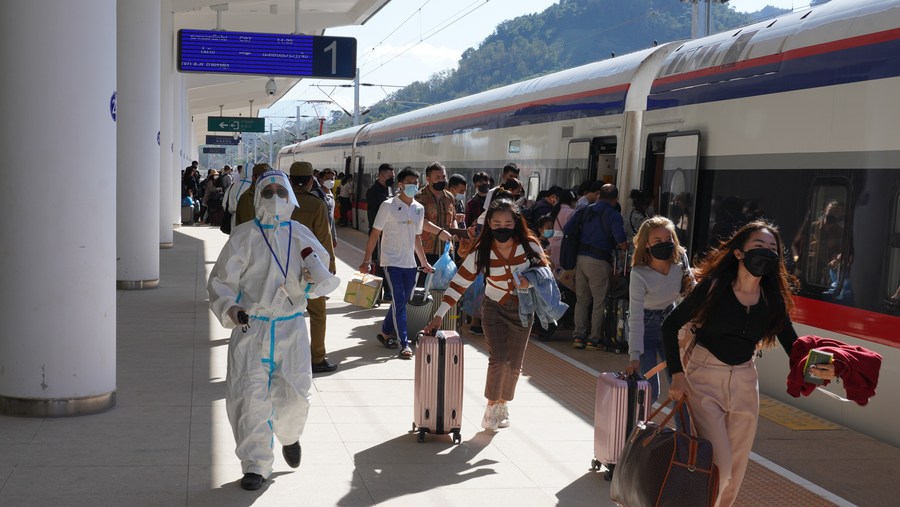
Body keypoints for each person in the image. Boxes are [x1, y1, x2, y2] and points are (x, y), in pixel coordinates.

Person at [662, 220, 836, 507]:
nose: (766, 253)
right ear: (739, 253)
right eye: (759, 246)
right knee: (721, 467)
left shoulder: (772, 298)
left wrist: (826, 367)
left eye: (772, 249)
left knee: (737, 469)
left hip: (745, 381)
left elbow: (793, 346)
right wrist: (677, 375)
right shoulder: (714, 288)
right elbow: (670, 326)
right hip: (704, 379)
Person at [207, 169, 333, 491]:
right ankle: (256, 463)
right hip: (252, 328)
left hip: (290, 327)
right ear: (257, 196)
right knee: (248, 398)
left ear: (289, 195)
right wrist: (230, 309)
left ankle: (289, 436)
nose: (275, 198)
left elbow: (323, 277)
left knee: (293, 396)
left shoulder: (301, 233)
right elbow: (221, 283)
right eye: (267, 191)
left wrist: (310, 283)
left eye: (281, 191)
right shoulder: (244, 236)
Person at [425, 198, 550, 431]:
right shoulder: (481, 251)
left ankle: (503, 404)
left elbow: (545, 275)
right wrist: (439, 316)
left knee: (514, 364)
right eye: (497, 223)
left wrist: (529, 281)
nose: (502, 227)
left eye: (508, 222)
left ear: (516, 223)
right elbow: (458, 284)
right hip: (493, 308)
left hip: (523, 309)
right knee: (499, 358)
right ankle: (491, 406)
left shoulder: (530, 246)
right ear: (490, 225)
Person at [359, 168, 434, 359]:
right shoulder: (388, 205)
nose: (413, 186)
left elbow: (417, 238)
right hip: (391, 262)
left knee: (401, 302)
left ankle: (385, 330)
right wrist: (366, 261)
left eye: (416, 182)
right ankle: (404, 343)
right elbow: (375, 233)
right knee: (399, 301)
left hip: (410, 263)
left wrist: (423, 262)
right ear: (400, 184)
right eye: (410, 182)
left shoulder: (418, 208)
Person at [624, 217, 691, 403]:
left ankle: (683, 432)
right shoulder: (639, 273)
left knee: (680, 385)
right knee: (649, 391)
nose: (665, 244)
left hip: (671, 321)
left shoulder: (680, 261)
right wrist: (634, 356)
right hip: (645, 326)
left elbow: (692, 290)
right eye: (657, 241)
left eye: (669, 240)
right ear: (646, 244)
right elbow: (636, 316)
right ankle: (640, 430)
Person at [289, 161, 338, 374]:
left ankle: (287, 357)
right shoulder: (317, 204)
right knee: (317, 314)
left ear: (290, 181)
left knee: (287, 312)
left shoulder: (282, 203)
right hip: (311, 267)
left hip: (283, 266)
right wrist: (331, 268)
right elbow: (324, 240)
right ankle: (317, 358)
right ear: (311, 180)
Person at [572, 184, 627, 350]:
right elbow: (621, 241)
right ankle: (594, 339)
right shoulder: (614, 215)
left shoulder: (586, 210)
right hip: (599, 261)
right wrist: (626, 245)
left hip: (580, 258)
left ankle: (578, 336)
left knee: (582, 300)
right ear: (615, 199)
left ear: (598, 195)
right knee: (599, 301)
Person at [416, 162, 458, 269]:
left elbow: (453, 218)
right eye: (437, 177)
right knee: (424, 284)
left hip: (446, 251)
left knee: (445, 284)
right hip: (425, 253)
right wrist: (440, 232)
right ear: (428, 179)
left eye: (443, 177)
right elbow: (420, 221)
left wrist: (455, 231)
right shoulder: (420, 197)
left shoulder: (449, 197)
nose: (441, 180)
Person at [366, 163, 396, 301]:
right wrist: (378, 231)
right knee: (378, 263)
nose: (392, 178)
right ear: (381, 175)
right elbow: (372, 216)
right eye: (390, 176)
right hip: (378, 233)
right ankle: (377, 293)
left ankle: (388, 290)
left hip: (390, 234)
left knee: (388, 262)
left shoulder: (391, 189)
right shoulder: (373, 192)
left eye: (393, 176)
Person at [548, 189, 577, 268]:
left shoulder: (554, 210)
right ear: (572, 201)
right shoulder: (572, 213)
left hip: (552, 245)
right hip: (564, 247)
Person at [316, 168, 339, 248]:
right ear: (321, 180)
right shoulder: (316, 194)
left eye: (332, 179)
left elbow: (332, 218)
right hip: (318, 235)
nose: (330, 181)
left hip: (328, 235)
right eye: (327, 179)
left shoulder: (331, 195)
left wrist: (334, 236)